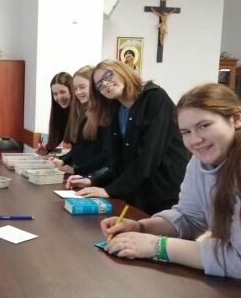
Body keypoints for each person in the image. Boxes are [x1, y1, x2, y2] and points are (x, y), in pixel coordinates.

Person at [100, 83, 241, 280]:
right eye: (186, 132)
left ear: (236, 118)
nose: (195, 140)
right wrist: (141, 227)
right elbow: (190, 217)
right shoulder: (202, 159)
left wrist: (158, 246)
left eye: (204, 126)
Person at [66, 59, 189, 214]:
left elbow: (148, 156)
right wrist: (92, 181)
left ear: (122, 71)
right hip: (138, 191)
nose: (106, 83)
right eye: (99, 84)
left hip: (165, 190)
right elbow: (118, 162)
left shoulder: (155, 97)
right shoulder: (115, 108)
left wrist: (109, 190)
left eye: (108, 75)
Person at [48, 66, 109, 176]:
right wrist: (62, 161)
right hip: (82, 172)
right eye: (75, 89)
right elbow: (79, 148)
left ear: (95, 86)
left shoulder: (105, 112)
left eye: (82, 87)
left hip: (95, 174)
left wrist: (76, 170)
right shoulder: (82, 112)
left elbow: (106, 154)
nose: (78, 92)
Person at [36, 72, 73, 155]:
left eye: (62, 92)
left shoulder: (82, 113)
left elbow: (81, 150)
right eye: (55, 94)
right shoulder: (61, 112)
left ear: (72, 90)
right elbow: (57, 137)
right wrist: (47, 150)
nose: (59, 97)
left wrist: (62, 160)